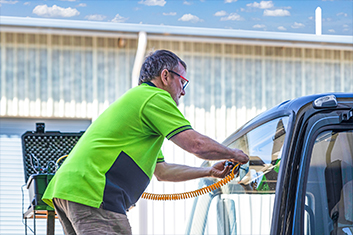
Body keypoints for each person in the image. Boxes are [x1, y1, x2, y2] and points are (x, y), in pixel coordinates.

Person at [42, 49, 249, 235]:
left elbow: (163, 171)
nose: (183, 91)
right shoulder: (155, 97)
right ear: (165, 76)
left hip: (72, 190)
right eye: (182, 82)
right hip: (93, 190)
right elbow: (196, 145)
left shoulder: (142, 105)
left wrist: (209, 172)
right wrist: (235, 153)